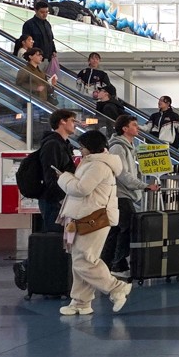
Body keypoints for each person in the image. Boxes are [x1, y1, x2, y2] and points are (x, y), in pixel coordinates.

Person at [56, 129, 133, 315]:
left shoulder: (98, 165)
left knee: (84, 260)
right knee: (81, 258)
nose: (80, 150)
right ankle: (81, 302)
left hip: (92, 217)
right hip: (86, 216)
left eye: (82, 147)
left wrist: (64, 178)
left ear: (90, 147)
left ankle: (116, 287)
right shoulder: (93, 163)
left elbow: (82, 189)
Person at [12, 108, 79, 291]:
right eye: (72, 120)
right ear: (62, 122)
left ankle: (49, 276)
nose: (75, 124)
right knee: (54, 238)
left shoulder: (63, 144)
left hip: (60, 199)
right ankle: (28, 266)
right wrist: (60, 198)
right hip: (53, 200)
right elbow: (52, 176)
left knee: (60, 239)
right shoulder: (53, 145)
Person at [102, 115, 159, 278]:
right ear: (124, 129)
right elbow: (122, 174)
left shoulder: (129, 147)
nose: (138, 127)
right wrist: (144, 186)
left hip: (124, 194)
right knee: (127, 228)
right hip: (121, 194)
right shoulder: (118, 148)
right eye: (134, 125)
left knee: (116, 230)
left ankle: (108, 264)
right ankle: (118, 264)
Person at [21, 0, 56, 69]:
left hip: (48, 58)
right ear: (36, 11)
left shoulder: (47, 24)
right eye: (42, 12)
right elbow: (27, 43)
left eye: (46, 12)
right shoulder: (29, 24)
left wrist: (53, 51)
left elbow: (51, 40)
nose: (45, 14)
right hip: (35, 59)